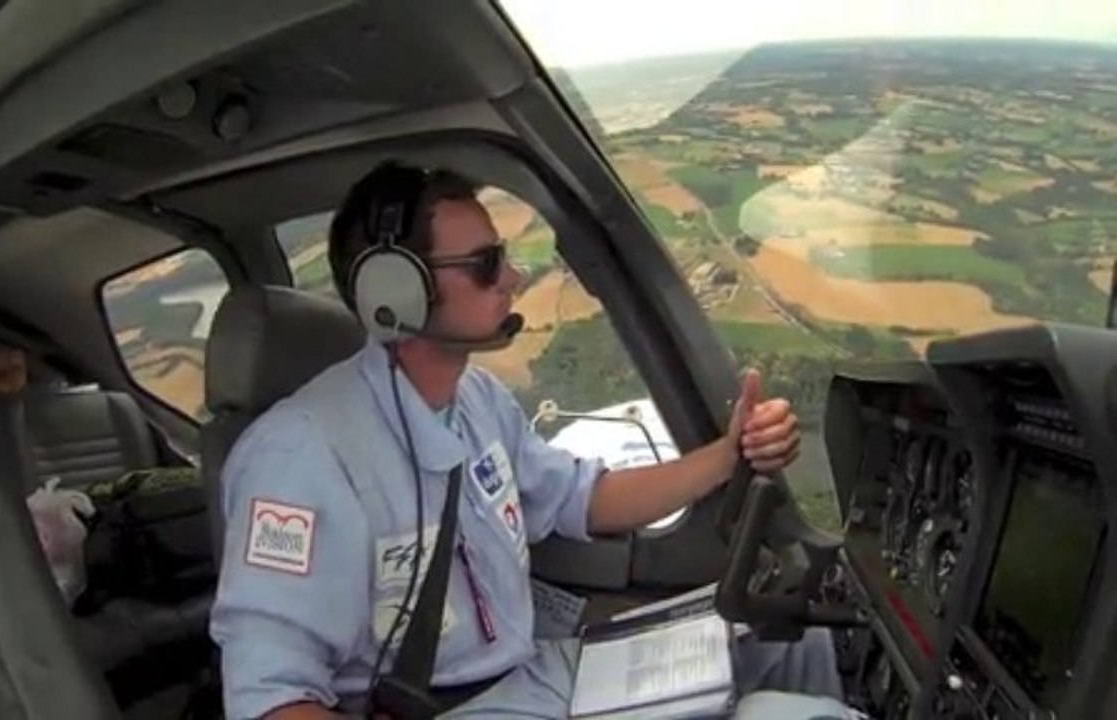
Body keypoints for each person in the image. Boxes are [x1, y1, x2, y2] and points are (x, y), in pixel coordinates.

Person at [209, 161, 855, 719]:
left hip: (537, 676)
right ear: (395, 291)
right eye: (487, 265)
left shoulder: (478, 400)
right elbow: (271, 699)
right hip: (456, 707)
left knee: (793, 638)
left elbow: (586, 499)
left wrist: (727, 454)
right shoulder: (297, 458)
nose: (513, 278)